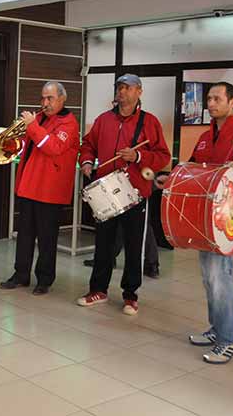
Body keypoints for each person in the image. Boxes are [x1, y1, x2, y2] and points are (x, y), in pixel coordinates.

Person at [164, 82, 233, 364]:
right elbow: (192, 167)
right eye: (209, 99)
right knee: (209, 276)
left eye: (217, 98)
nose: (210, 104)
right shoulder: (206, 136)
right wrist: (169, 180)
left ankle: (231, 338)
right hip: (206, 216)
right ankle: (218, 329)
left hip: (231, 215)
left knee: (218, 275)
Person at [76, 74, 171, 315]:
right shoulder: (103, 120)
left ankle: (130, 295)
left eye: (127, 88)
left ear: (139, 91)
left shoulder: (149, 122)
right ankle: (98, 289)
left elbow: (163, 156)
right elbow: (87, 145)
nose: (122, 92)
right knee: (104, 245)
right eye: (119, 87)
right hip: (106, 192)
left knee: (134, 245)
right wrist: (87, 162)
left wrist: (139, 157)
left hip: (136, 193)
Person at [0, 82, 79, 295]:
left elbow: (53, 147)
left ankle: (44, 279)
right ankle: (21, 275)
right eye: (43, 98)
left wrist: (32, 125)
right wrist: (10, 142)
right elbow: (29, 146)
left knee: (47, 238)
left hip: (50, 191)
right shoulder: (41, 119)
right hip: (29, 186)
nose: (45, 103)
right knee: (24, 235)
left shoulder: (69, 123)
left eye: (50, 98)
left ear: (62, 99)